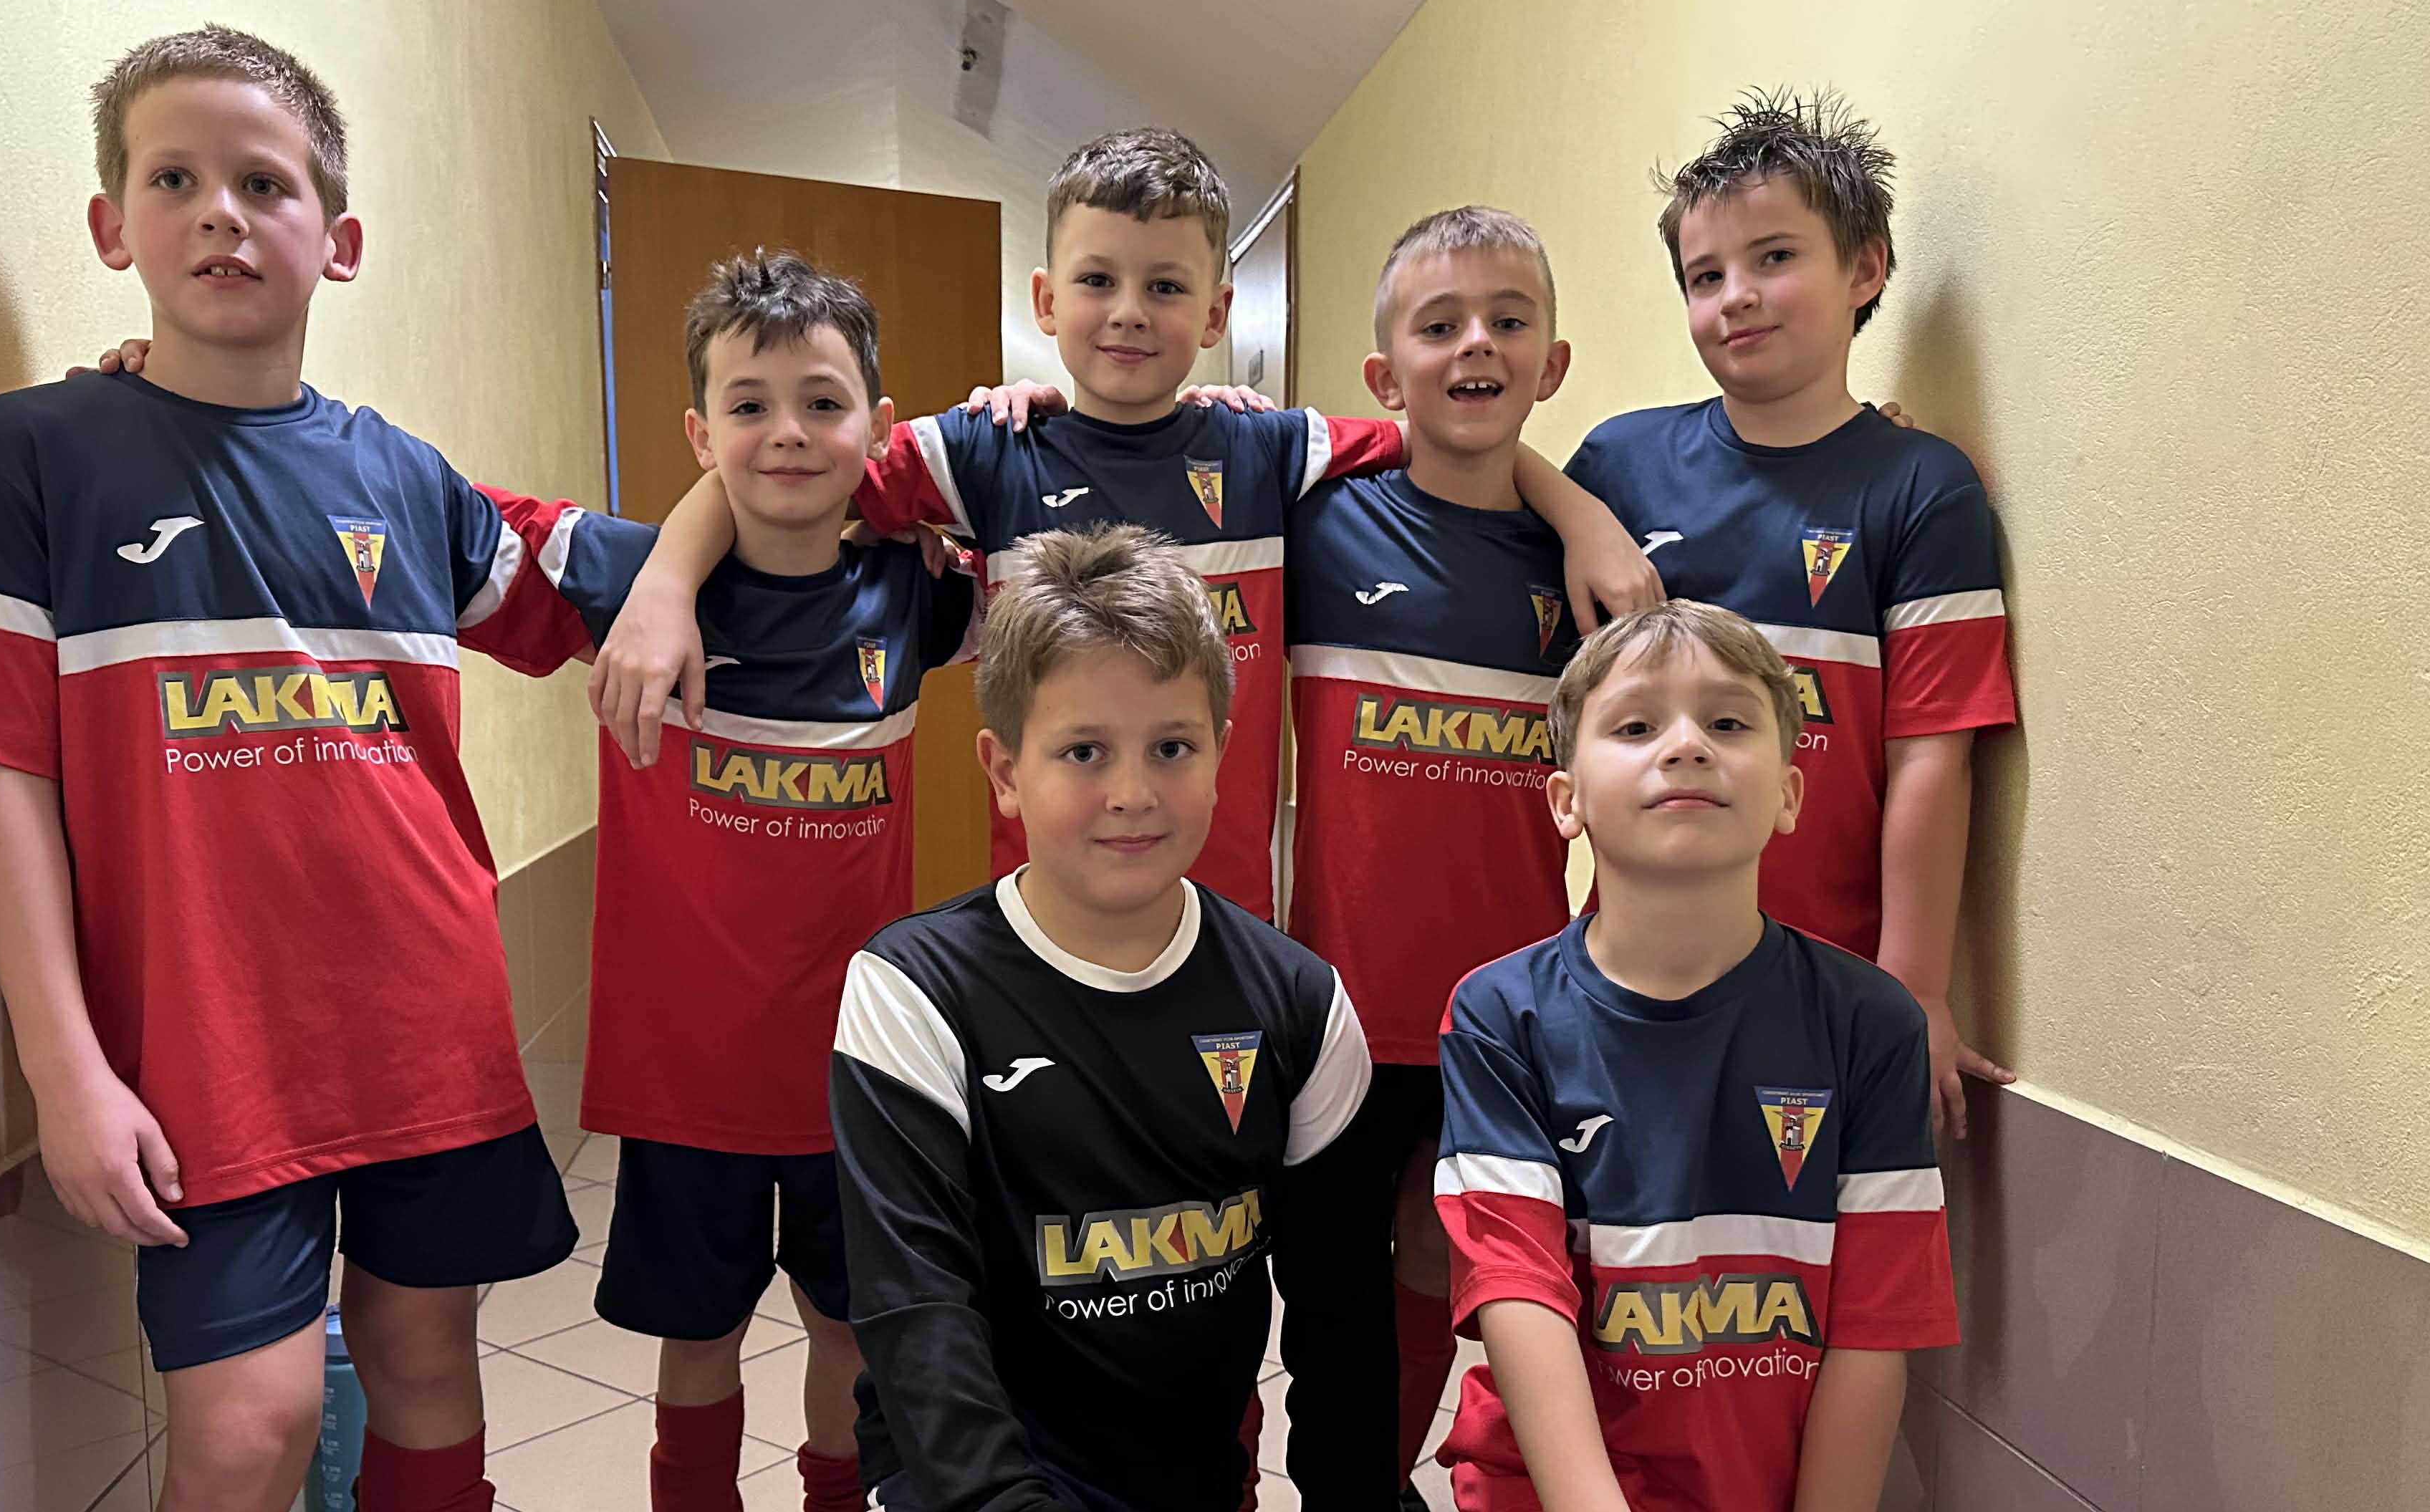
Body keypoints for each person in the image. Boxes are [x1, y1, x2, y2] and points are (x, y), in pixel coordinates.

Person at [0, 27, 612, 1512]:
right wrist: (64, 1065)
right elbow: (0, 770)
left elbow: (619, 595)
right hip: (196, 1061)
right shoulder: (32, 457)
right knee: (239, 1434)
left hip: (426, 1032)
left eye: (266, 183)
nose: (222, 214)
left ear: (342, 236)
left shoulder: (409, 480)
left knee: (427, 1377)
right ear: (111, 223)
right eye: (177, 179)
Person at [725, 524, 1393, 1512]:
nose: (1133, 791)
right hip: (979, 1468)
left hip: (1180, 1479)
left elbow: (1347, 1327)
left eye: (1172, 747)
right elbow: (913, 1315)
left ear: (1224, 755)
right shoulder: (912, 989)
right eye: (1084, 751)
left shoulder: (1297, 1006)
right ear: (1003, 771)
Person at [584, 126, 1656, 925]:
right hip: (1043, 919)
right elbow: (790, 470)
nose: (1131, 310)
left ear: (1217, 312)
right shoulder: (987, 451)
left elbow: (1447, 431)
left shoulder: (1267, 450)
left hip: (1229, 923)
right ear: (1047, 300)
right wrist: (666, 585)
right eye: (1098, 280)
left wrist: (1584, 516)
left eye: (1166, 285)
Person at [484, 251, 981, 1512]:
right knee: (695, 1344)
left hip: (854, 1076)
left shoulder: (915, 588)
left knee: (851, 1336)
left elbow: (1069, 505)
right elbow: (403, 511)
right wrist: (190, 403)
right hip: (687, 1077)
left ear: (874, 426)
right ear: (697, 432)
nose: (785, 433)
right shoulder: (617, 581)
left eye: (822, 402)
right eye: (747, 404)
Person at [1432, 600, 1958, 1512]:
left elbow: (1874, 1341)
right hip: (1570, 1509)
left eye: (1728, 723)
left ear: (1789, 792)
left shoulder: (1868, 1025)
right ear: (1566, 800)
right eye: (1636, 726)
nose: (1685, 747)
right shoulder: (1502, 1013)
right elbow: (1519, 1299)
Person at [1563, 90, 2017, 1142]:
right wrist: (1566, 502)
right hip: (1627, 972)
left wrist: (1915, 987)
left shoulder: (1924, 488)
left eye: (1773, 258)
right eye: (1704, 276)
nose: (1737, 298)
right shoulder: (1618, 466)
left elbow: (1932, 755)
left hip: (1834, 986)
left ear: (1866, 269)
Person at [1273, 205, 1587, 1512]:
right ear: (1380, 371)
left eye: (1510, 321)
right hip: (1337, 1005)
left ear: (1554, 361)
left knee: (1439, 1265)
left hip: (1505, 1012)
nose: (1477, 345)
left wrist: (1578, 512)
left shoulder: (1586, 557)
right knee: (1324, 1290)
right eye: (1440, 323)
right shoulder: (1317, 519)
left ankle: (1384, 1503)